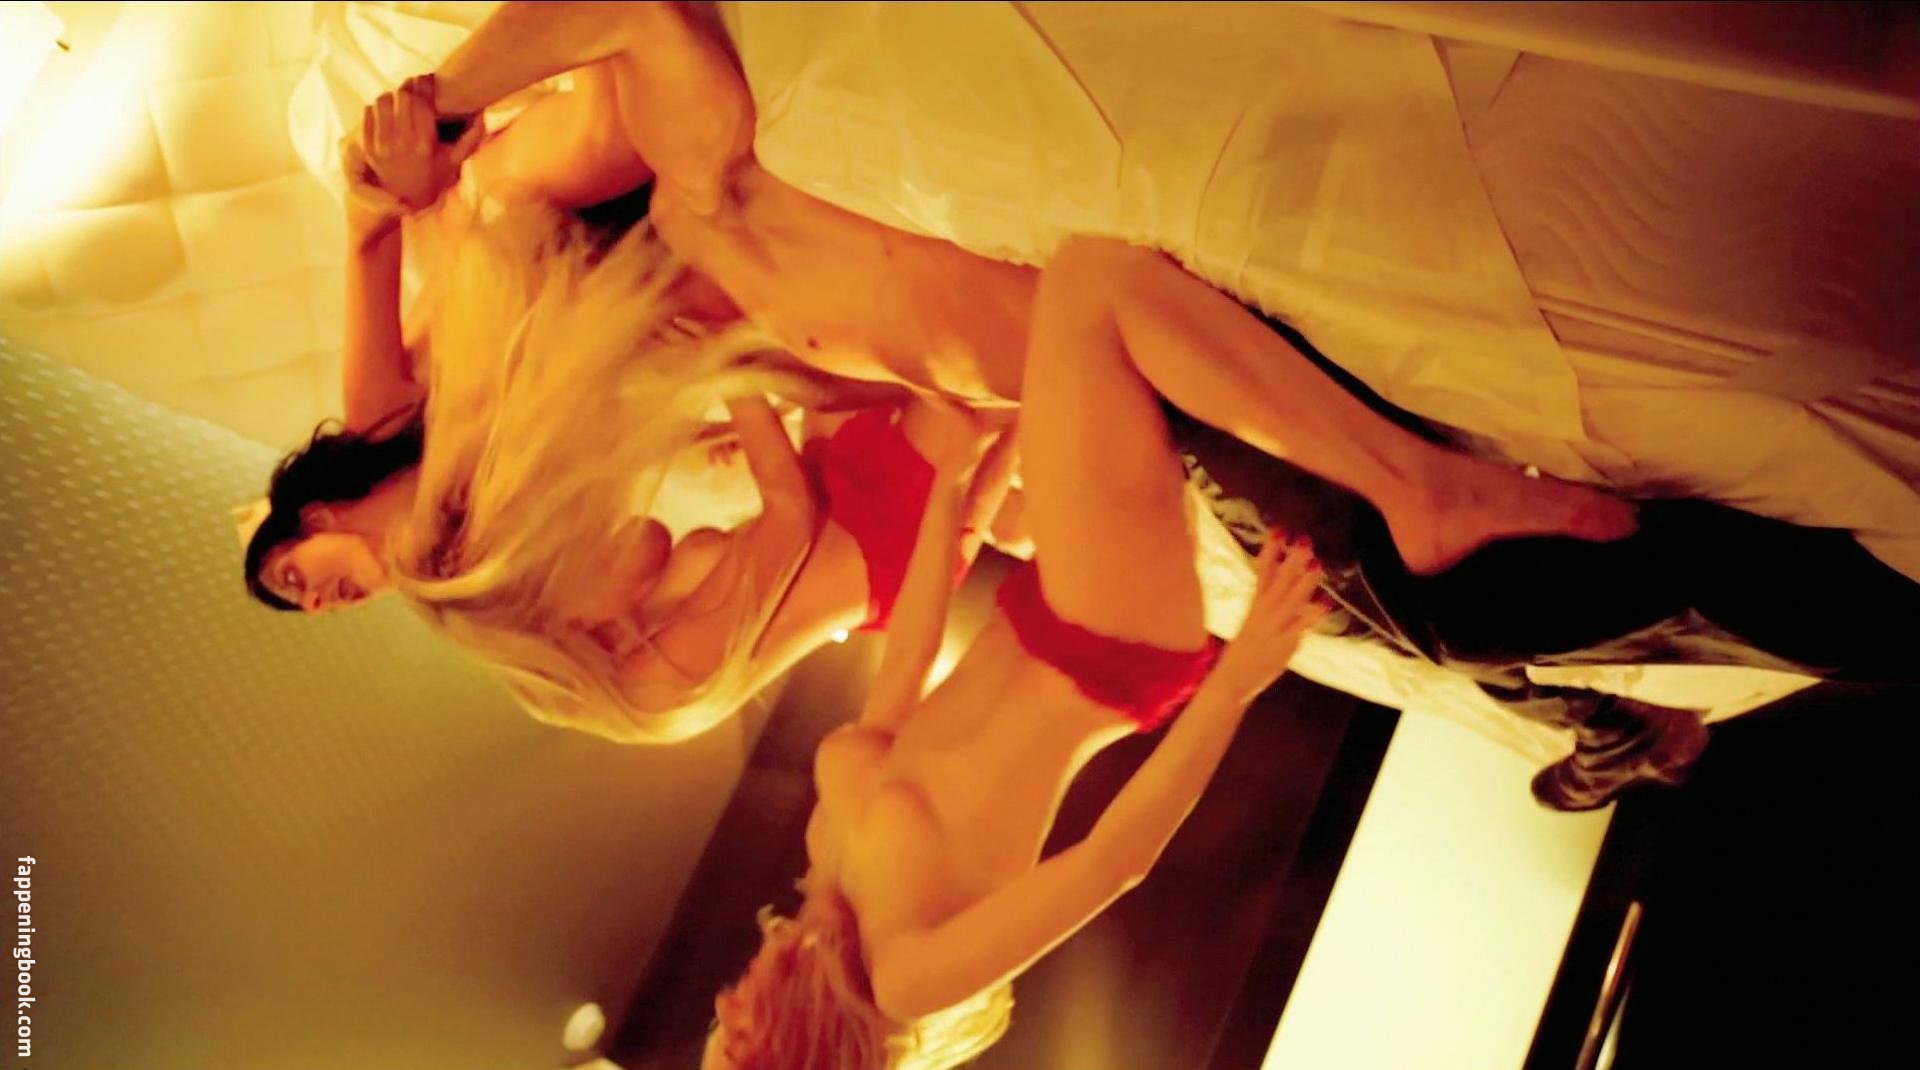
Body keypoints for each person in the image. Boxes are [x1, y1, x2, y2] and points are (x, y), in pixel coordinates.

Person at [703, 254, 1329, 1070]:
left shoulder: (828, 856)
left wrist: (953, 483)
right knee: (1083, 295)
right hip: (1110, 649)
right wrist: (1241, 676)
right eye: (734, 1039)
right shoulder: (910, 979)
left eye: (717, 1026)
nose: (725, 1003)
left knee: (1043, 324)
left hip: (1044, 604)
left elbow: (908, 658)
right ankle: (1406, 487)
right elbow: (1112, 865)